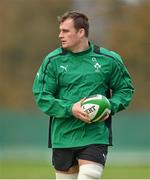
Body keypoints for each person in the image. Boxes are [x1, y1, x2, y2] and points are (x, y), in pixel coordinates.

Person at [32, 11, 134, 179]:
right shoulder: (53, 61)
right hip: (63, 136)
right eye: (60, 30)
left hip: (95, 134)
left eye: (66, 31)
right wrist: (71, 108)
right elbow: (42, 96)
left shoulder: (109, 60)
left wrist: (110, 106)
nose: (60, 35)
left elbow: (125, 90)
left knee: (89, 176)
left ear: (81, 32)